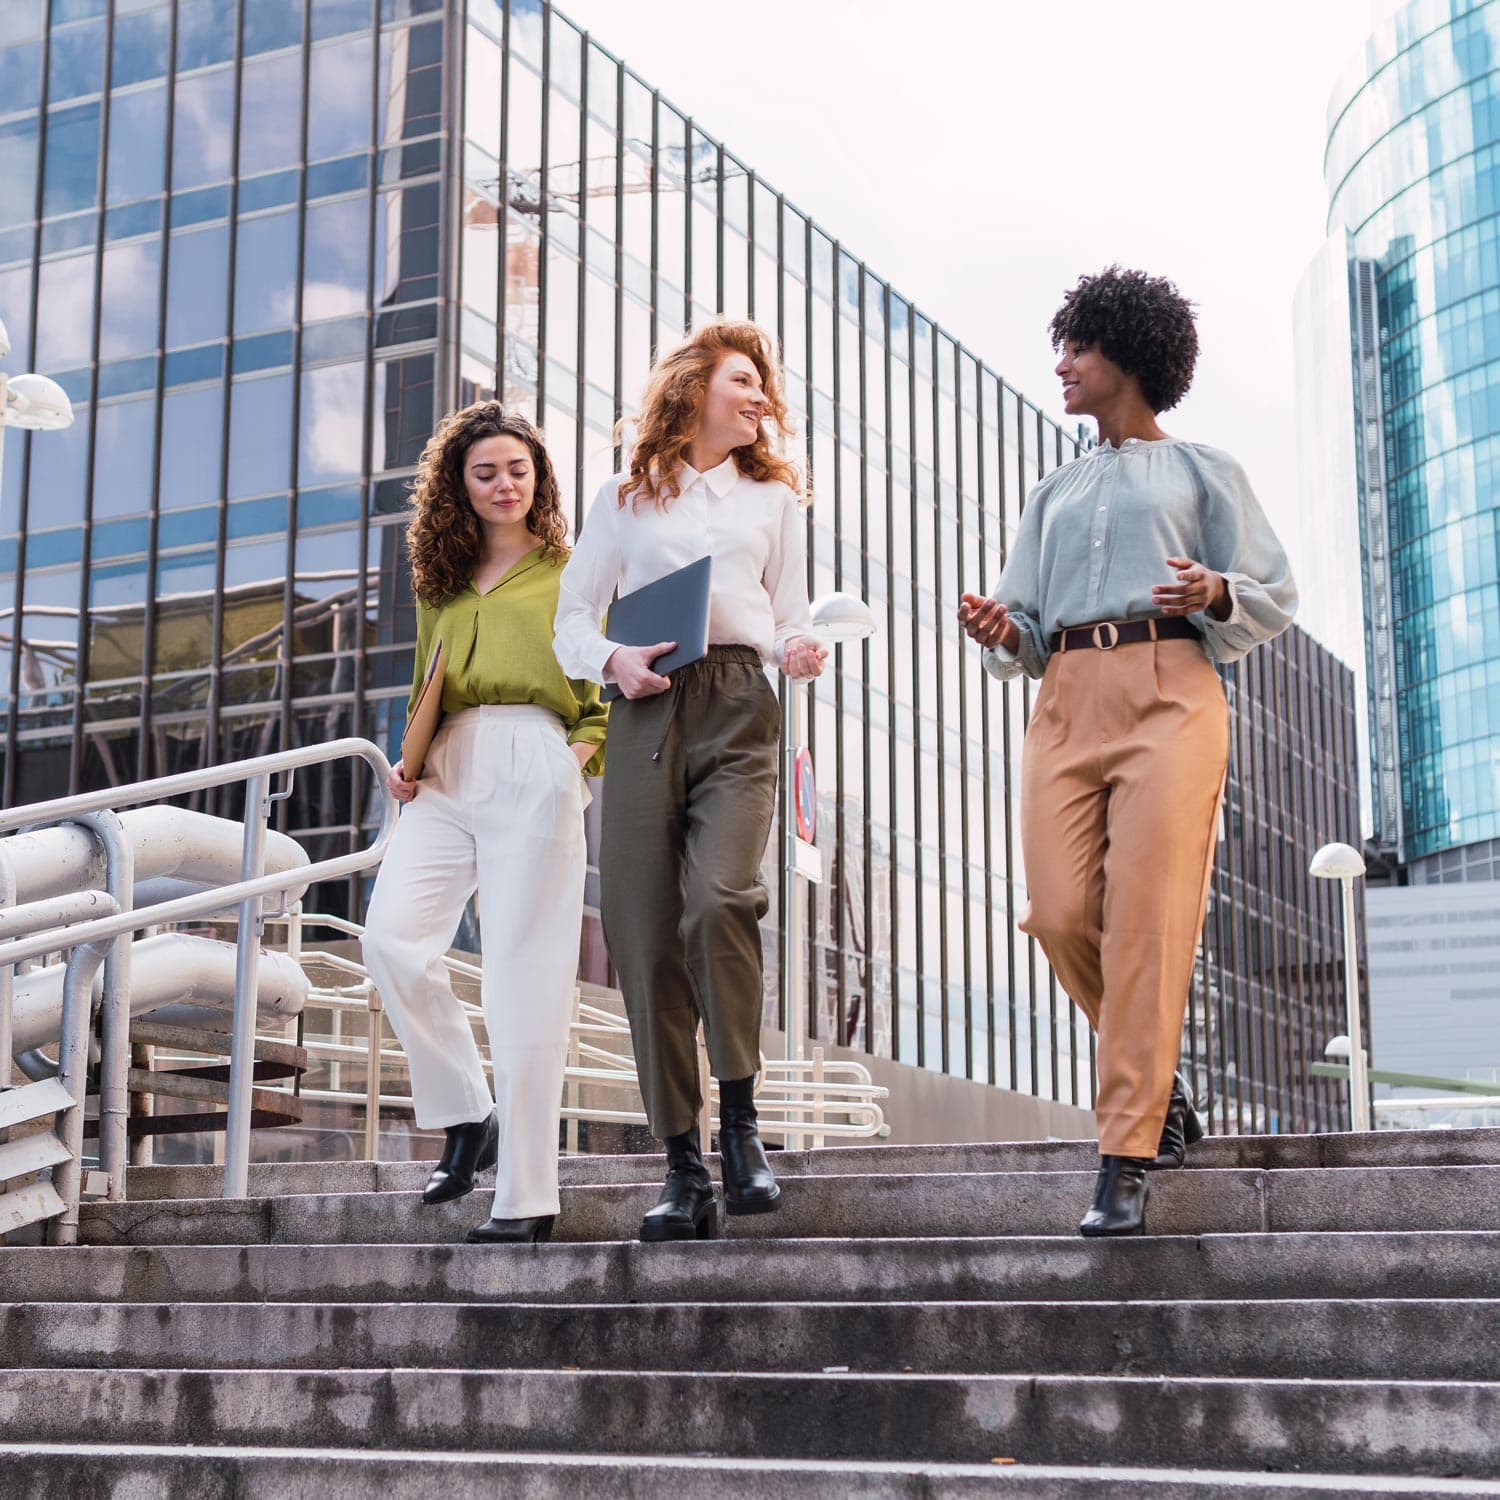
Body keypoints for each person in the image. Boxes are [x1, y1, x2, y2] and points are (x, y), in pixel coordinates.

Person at [958, 267, 1296, 1236]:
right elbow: (1025, 623)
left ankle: (1126, 1155)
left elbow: (1270, 589)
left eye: (1079, 346)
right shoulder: (1052, 489)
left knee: (1148, 920)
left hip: (1170, 696)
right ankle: (1158, 1090)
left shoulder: (1204, 472)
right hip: (1066, 695)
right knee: (1062, 913)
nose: (1061, 363)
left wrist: (1216, 594)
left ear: (1130, 356)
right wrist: (999, 628)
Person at [554, 319, 826, 1242]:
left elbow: (785, 617)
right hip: (644, 708)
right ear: (693, 389)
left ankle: (741, 1123)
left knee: (720, 901)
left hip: (742, 706)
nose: (759, 398)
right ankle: (682, 1161)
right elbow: (572, 621)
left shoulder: (774, 502)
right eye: (743, 381)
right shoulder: (626, 497)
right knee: (639, 934)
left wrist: (798, 646)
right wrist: (613, 662)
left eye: (763, 388)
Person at [361, 403, 606, 1245]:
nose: (505, 484)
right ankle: (469, 1113)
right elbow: (431, 682)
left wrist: (571, 767)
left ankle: (528, 1196)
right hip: (445, 772)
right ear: (457, 487)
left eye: (518, 470)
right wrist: (409, 757)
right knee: (391, 939)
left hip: (535, 759)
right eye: (485, 471)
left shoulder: (574, 572)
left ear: (539, 479)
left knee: (523, 978)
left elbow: (601, 696)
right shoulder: (441, 579)